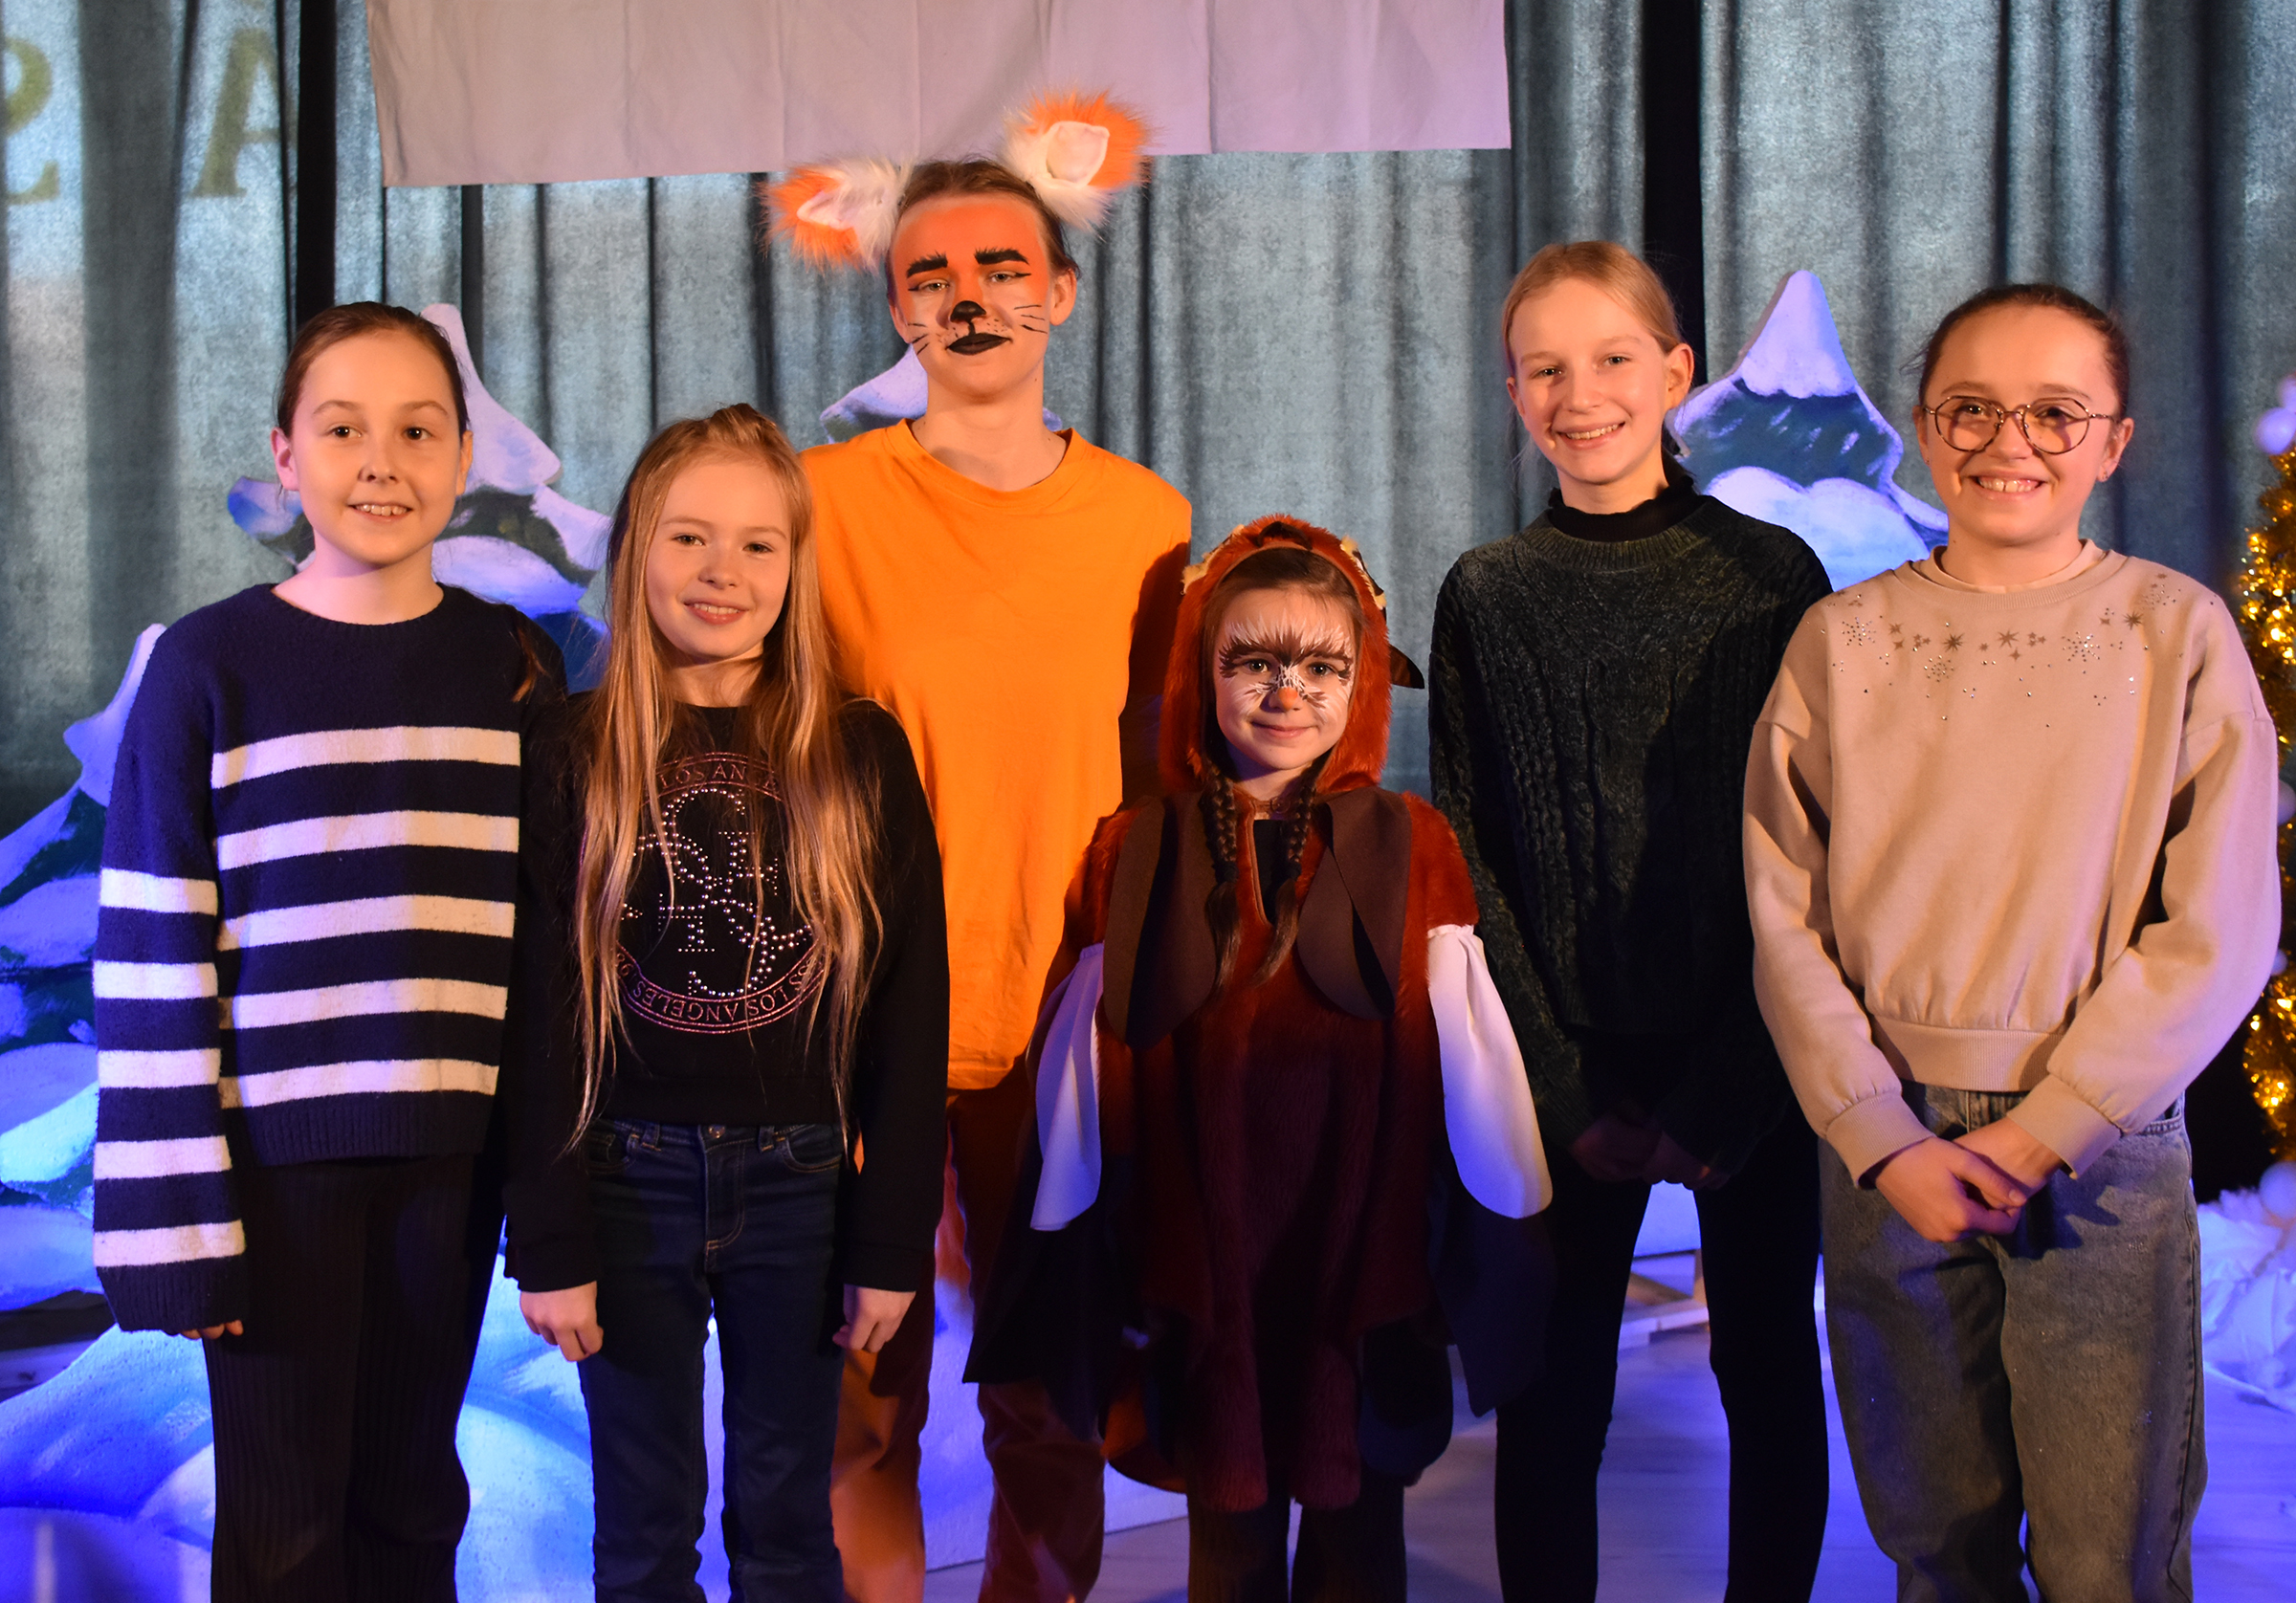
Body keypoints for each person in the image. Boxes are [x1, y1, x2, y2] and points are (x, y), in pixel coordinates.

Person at [1745, 282, 2278, 1601]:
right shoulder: (1840, 641)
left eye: (2055, 413)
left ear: (2114, 441)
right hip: (1894, 1151)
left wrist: (2051, 1126)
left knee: (2108, 1558)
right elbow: (1781, 909)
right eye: (1972, 409)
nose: (2009, 442)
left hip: (2104, 1149)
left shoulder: (2174, 632)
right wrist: (1882, 1137)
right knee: (1937, 1548)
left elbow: (2219, 923)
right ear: (1927, 426)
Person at [973, 516, 1550, 1603]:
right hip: (1201, 1264)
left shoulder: (1411, 841)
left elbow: (1470, 1067)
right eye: (1253, 662)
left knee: (1358, 1544)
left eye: (1322, 666)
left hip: (1359, 1260)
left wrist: (1480, 1243)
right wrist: (1089, 1253)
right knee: (1229, 1545)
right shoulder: (1136, 845)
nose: (1288, 692)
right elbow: (1089, 1078)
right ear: (1203, 675)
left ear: (1362, 684)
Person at [775, 97, 1190, 1603]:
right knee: (856, 1403)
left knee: (1050, 1397)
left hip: (1059, 1024)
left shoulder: (1144, 520)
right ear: (898, 306)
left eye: (1004, 267)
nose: (971, 296)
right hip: (856, 1021)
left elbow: (1164, 778)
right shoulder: (820, 507)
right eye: (933, 274)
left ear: (1059, 292)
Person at [89, 301, 564, 1600]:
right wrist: (178, 1224)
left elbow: (544, 949)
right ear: (285, 457)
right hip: (269, 1177)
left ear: (462, 458)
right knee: (287, 1528)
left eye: (418, 431)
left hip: (448, 1167)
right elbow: (152, 950)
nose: (381, 463)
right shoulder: (210, 665)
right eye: (343, 429)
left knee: (414, 1509)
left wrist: (543, 1189)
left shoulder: (507, 664)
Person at [1428, 241, 1835, 1603]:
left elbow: (1817, 841)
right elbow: (1472, 850)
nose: (1580, 392)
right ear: (1513, 393)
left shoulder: (1770, 576)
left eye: (1611, 359)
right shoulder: (1491, 591)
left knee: (1767, 1369)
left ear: (1674, 373)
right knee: (1552, 1399)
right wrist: (1564, 1089)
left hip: (1752, 1050)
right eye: (1545, 368)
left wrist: (1729, 1089)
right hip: (1570, 1070)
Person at [504, 406, 949, 1602]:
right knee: (643, 1536)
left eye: (759, 543)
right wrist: (547, 1238)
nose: (723, 571)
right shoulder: (570, 749)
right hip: (623, 1182)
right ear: (635, 549)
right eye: (690, 536)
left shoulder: (859, 751)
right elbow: (538, 1015)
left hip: (804, 1187)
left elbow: (910, 1016)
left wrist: (891, 1239)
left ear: (796, 566)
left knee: (790, 1528)